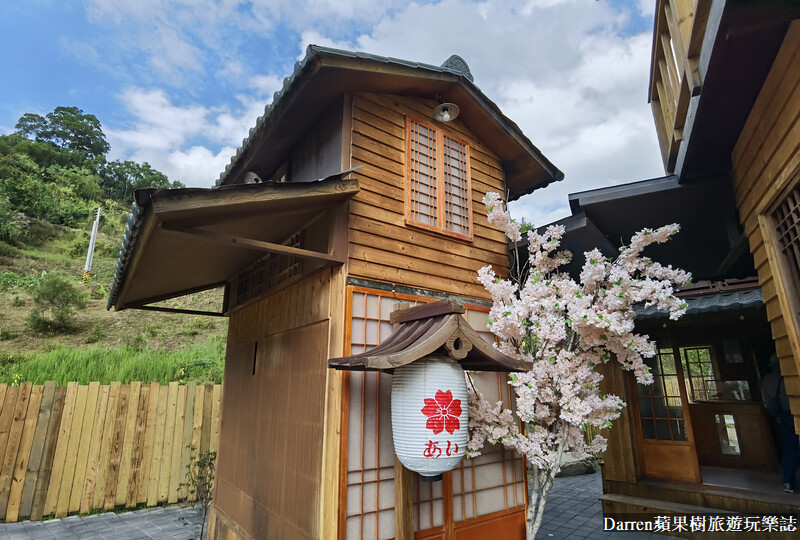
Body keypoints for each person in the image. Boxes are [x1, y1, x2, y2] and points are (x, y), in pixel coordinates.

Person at [763, 357, 800, 493]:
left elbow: (768, 401)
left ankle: (788, 481)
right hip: (793, 412)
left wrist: (776, 414)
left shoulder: (767, 380)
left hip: (784, 415)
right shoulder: (791, 376)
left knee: (790, 446)